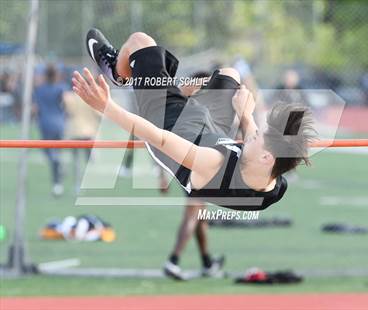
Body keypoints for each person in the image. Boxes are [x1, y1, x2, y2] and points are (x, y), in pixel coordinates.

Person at [73, 28, 314, 211]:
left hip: (168, 122)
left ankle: (119, 71)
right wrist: (245, 115)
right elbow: (259, 145)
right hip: (212, 131)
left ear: (265, 157)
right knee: (231, 74)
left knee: (140, 41)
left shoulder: (213, 163)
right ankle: (183, 88)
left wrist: (107, 107)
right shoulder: (274, 184)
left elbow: (160, 139)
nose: (252, 135)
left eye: (258, 137)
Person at [164, 71, 224, 280]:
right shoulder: (198, 110)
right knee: (193, 213)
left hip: (189, 163)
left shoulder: (186, 107)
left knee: (199, 214)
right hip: (197, 165)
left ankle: (207, 262)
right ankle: (173, 261)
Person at [33, 64, 67, 196]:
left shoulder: (40, 90)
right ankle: (58, 176)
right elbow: (65, 105)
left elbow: (35, 108)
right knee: (55, 152)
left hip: (46, 124)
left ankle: (57, 183)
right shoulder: (61, 88)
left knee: (50, 154)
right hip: (59, 123)